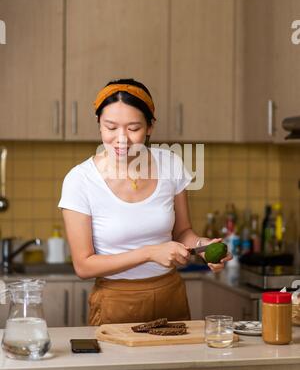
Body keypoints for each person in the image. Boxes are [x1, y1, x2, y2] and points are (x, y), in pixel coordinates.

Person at [58, 78, 232, 325]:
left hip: (170, 297)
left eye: (133, 128)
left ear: (150, 127)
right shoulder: (80, 180)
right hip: (114, 302)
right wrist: (150, 253)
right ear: (99, 124)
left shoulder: (170, 164)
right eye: (110, 127)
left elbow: (182, 232)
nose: (121, 139)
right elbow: (84, 266)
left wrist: (204, 247)